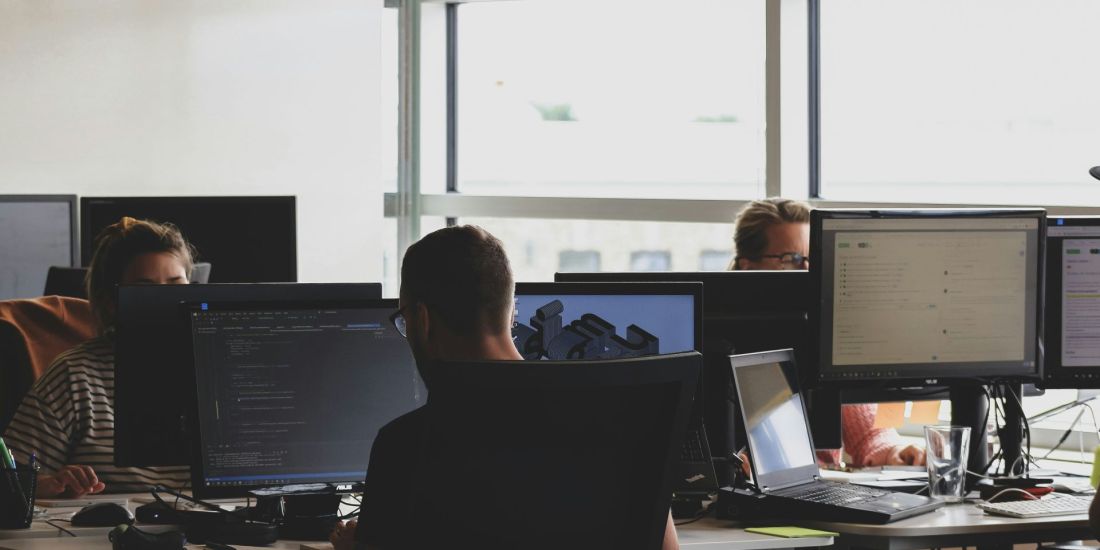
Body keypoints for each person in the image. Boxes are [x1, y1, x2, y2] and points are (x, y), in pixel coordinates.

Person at [331, 225, 679, 550]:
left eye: (403, 319)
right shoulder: (618, 418)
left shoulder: (405, 446)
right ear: (511, 311)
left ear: (422, 320)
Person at [2, 217, 194, 497]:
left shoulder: (220, 365)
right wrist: (47, 484)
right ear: (109, 302)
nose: (164, 301)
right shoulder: (75, 374)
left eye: (176, 286)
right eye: (145, 289)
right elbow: (9, 483)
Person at [730, 198, 924, 467]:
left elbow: (868, 432)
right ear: (747, 265)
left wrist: (894, 451)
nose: (809, 271)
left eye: (814, 259)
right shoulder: (720, 339)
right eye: (793, 259)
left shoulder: (826, 331)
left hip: (817, 493)